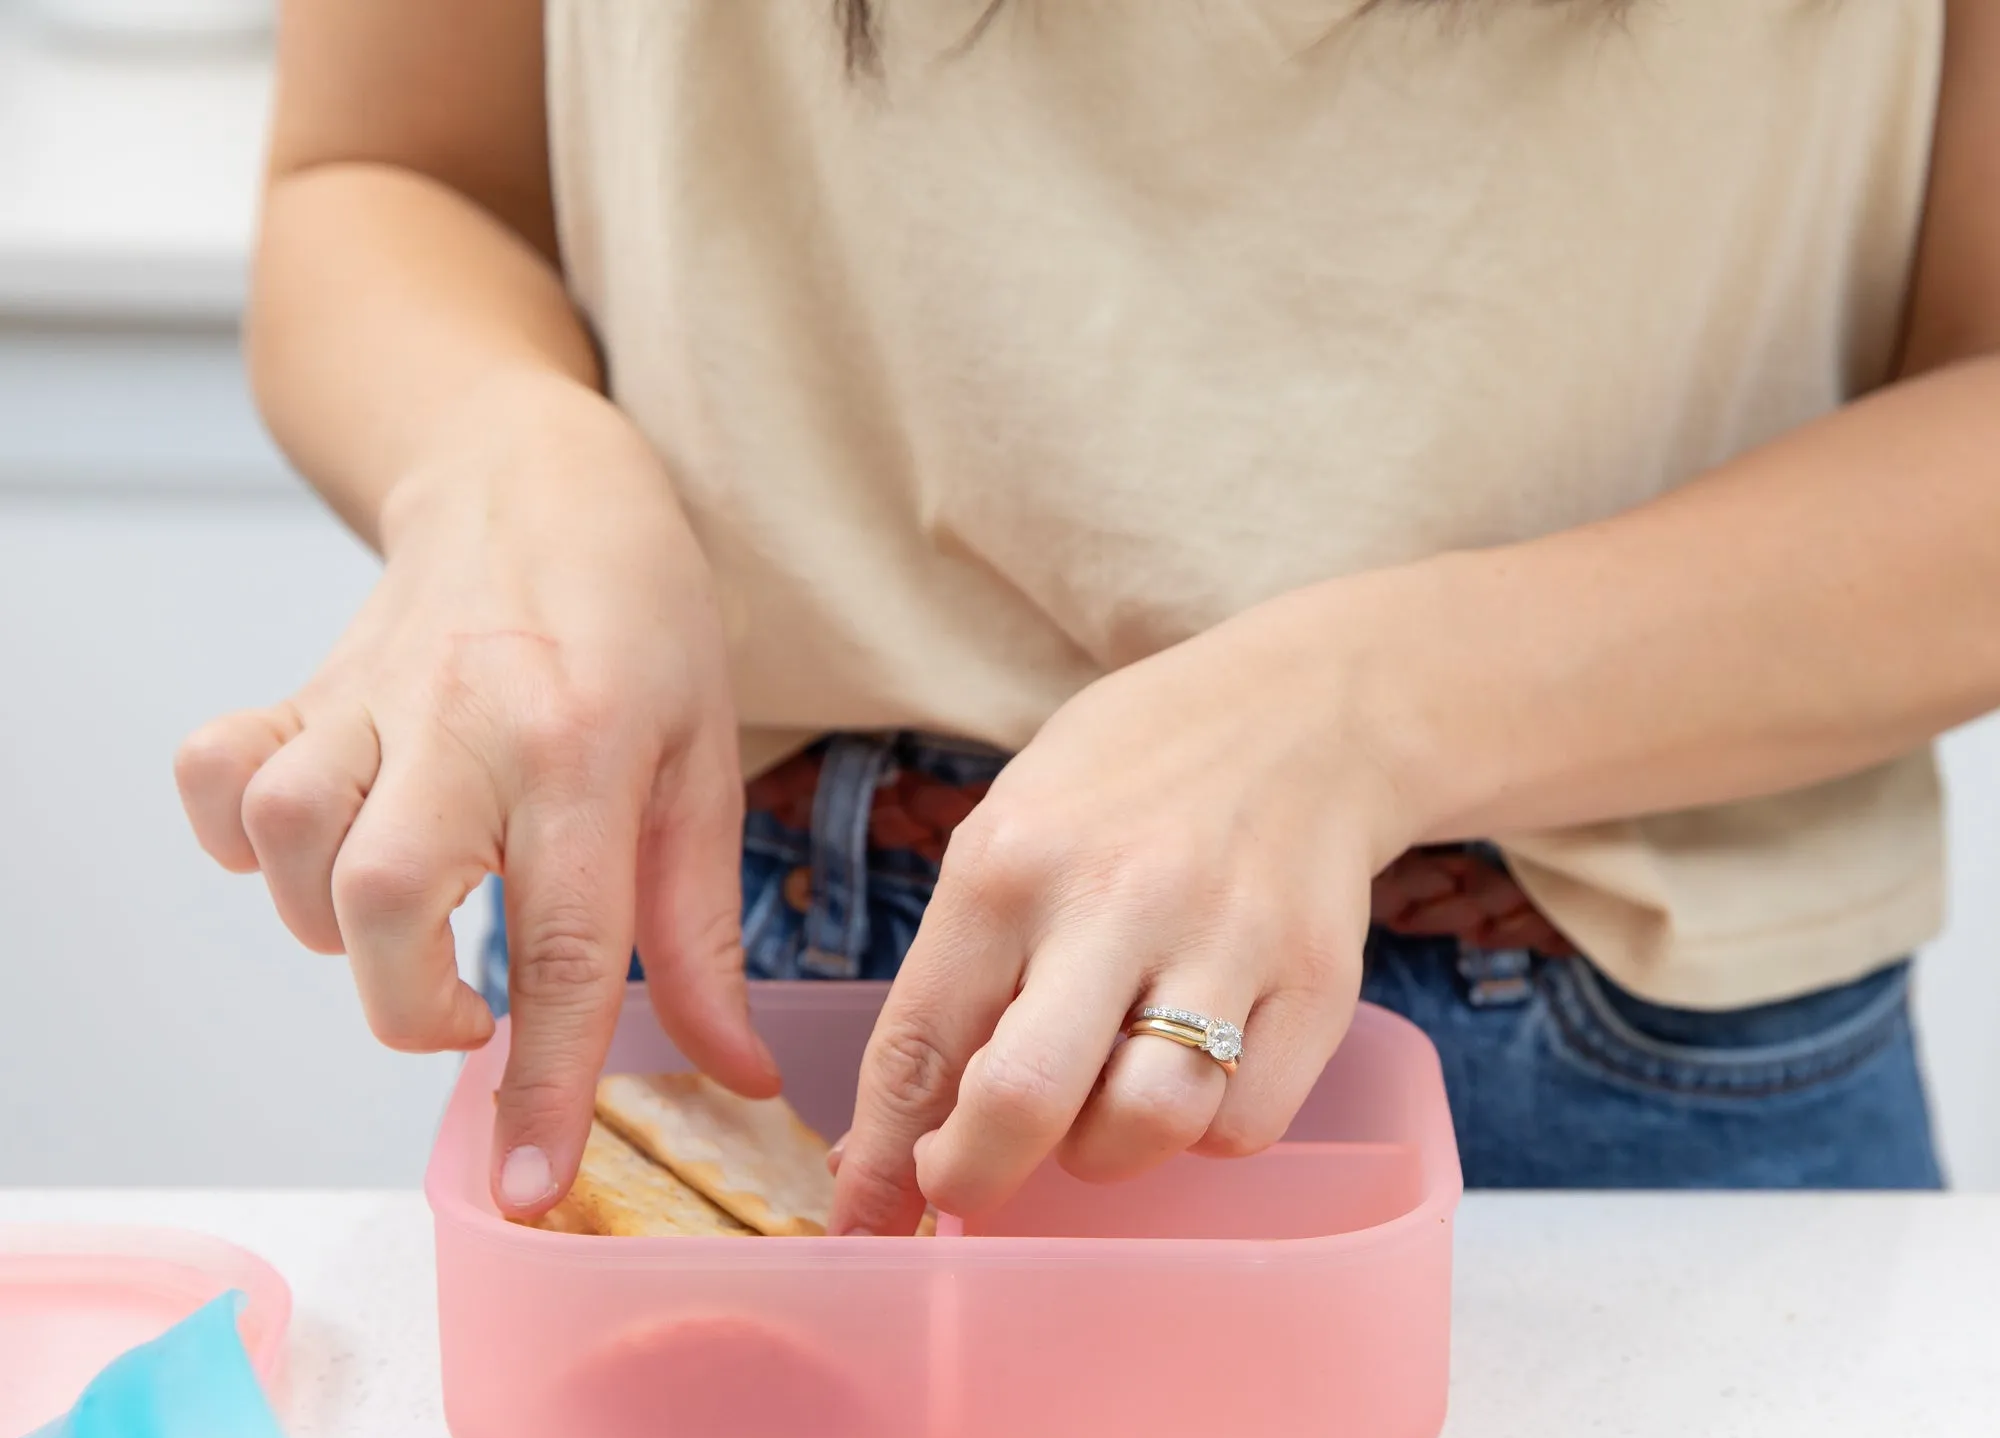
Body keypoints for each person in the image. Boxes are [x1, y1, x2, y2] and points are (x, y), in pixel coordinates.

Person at [176, 0, 2000, 1233]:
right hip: (713, 964)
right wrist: (507, 463)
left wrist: (1363, 710)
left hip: (1634, 1051)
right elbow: (389, 175)